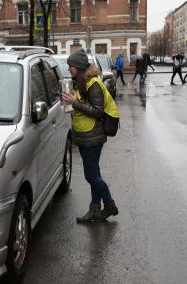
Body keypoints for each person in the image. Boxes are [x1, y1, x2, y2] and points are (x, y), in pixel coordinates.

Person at [61, 48, 119, 223]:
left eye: (70, 66)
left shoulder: (93, 84)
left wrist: (75, 103)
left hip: (93, 135)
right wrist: (71, 101)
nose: (69, 69)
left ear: (78, 67)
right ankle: (95, 209)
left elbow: (98, 112)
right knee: (95, 174)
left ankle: (109, 205)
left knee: (91, 176)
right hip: (86, 135)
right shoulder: (81, 82)